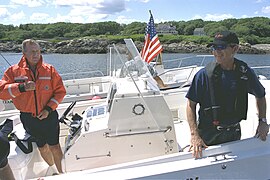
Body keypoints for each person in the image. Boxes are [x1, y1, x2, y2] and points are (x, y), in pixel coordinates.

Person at [185, 31, 269, 158]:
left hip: (234, 132)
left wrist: (262, 121)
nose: (216, 51)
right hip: (208, 134)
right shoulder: (203, 75)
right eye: (214, 48)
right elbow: (190, 105)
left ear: (235, 48)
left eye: (221, 47)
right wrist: (194, 135)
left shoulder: (244, 72)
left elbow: (260, 95)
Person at [0, 39, 66, 174]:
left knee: (55, 146)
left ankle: (62, 174)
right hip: (29, 118)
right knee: (42, 147)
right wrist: (22, 87)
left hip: (49, 115)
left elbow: (60, 92)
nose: (36, 55)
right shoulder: (13, 71)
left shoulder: (50, 70)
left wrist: (48, 109)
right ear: (24, 53)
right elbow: (2, 92)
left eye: (38, 51)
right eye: (32, 52)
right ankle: (53, 170)